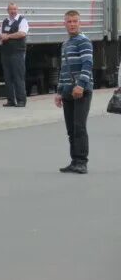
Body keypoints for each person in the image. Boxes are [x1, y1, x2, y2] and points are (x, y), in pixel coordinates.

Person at [55, 10, 93, 174]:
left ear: (79, 23)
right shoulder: (66, 44)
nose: (72, 24)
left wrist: (81, 85)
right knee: (71, 129)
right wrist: (59, 91)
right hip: (67, 90)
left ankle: (82, 162)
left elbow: (87, 64)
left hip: (81, 90)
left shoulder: (84, 41)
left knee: (79, 127)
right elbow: (64, 69)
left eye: (75, 21)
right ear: (64, 23)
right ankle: (74, 160)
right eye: (69, 21)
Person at [0, 2, 29, 107]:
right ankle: (10, 100)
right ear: (8, 10)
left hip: (17, 52)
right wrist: (1, 36)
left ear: (17, 10)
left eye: (14, 9)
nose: (13, 11)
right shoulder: (5, 21)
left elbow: (22, 33)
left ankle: (21, 100)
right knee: (7, 77)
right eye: (11, 9)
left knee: (18, 76)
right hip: (6, 52)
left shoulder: (22, 20)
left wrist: (8, 36)